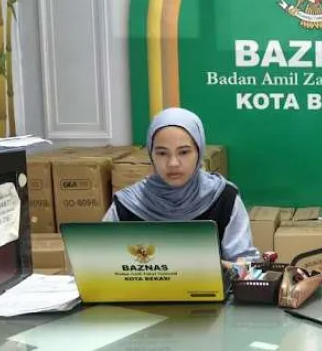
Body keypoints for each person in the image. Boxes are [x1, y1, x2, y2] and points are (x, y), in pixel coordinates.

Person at [103, 107, 258, 262]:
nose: (173, 163)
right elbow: (101, 261)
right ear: (151, 154)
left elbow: (245, 263)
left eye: (183, 152)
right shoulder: (126, 205)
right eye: (162, 153)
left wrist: (218, 267)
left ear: (199, 152)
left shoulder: (224, 198)